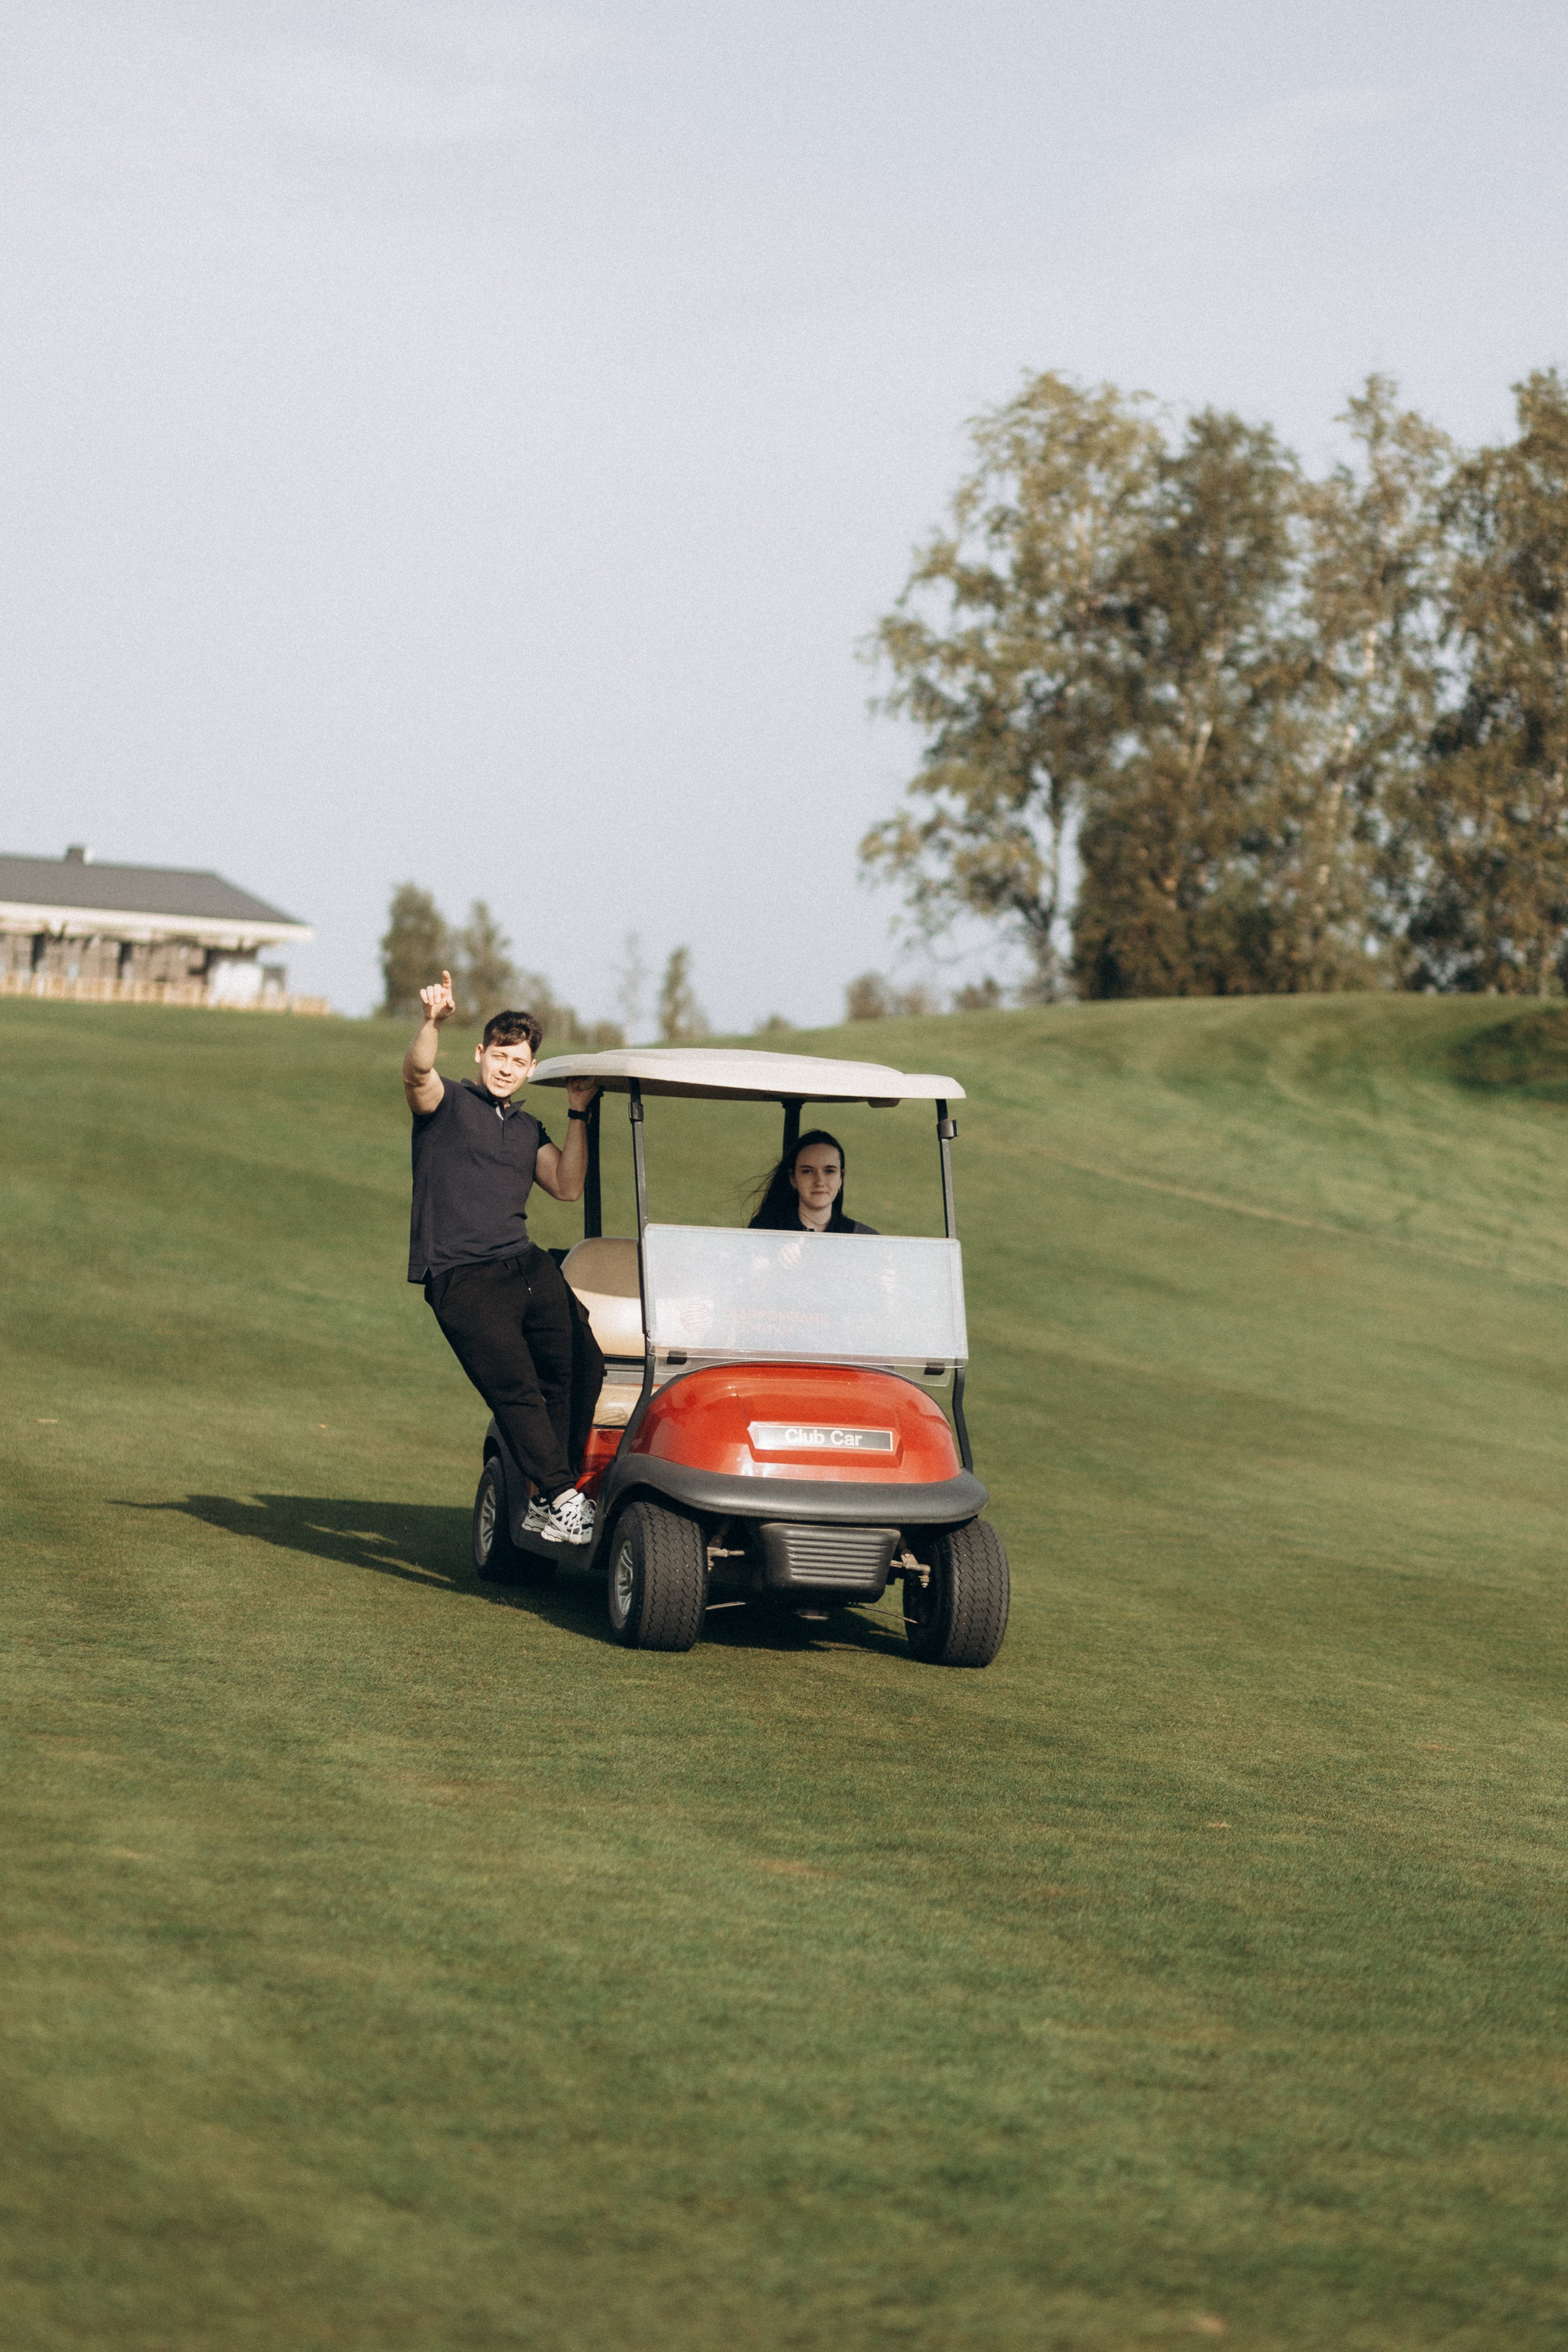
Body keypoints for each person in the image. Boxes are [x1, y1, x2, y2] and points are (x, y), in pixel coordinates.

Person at [404, 971, 603, 1546]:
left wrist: (578, 1114)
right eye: (499, 1055)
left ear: (530, 1070)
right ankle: (563, 1496)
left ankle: (546, 1498)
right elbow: (418, 1073)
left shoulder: (525, 1128)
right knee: (515, 1385)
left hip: (521, 1263)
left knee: (581, 1360)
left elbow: (566, 1186)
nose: (507, 1067)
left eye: (518, 1060)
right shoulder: (447, 1103)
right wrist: (430, 1023)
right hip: (462, 1276)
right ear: (480, 1054)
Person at [748, 1129, 877, 1234]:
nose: (819, 1182)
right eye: (807, 1171)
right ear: (793, 1178)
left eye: (829, 1171)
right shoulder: (765, 1231)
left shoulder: (863, 1238)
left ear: (841, 1178)